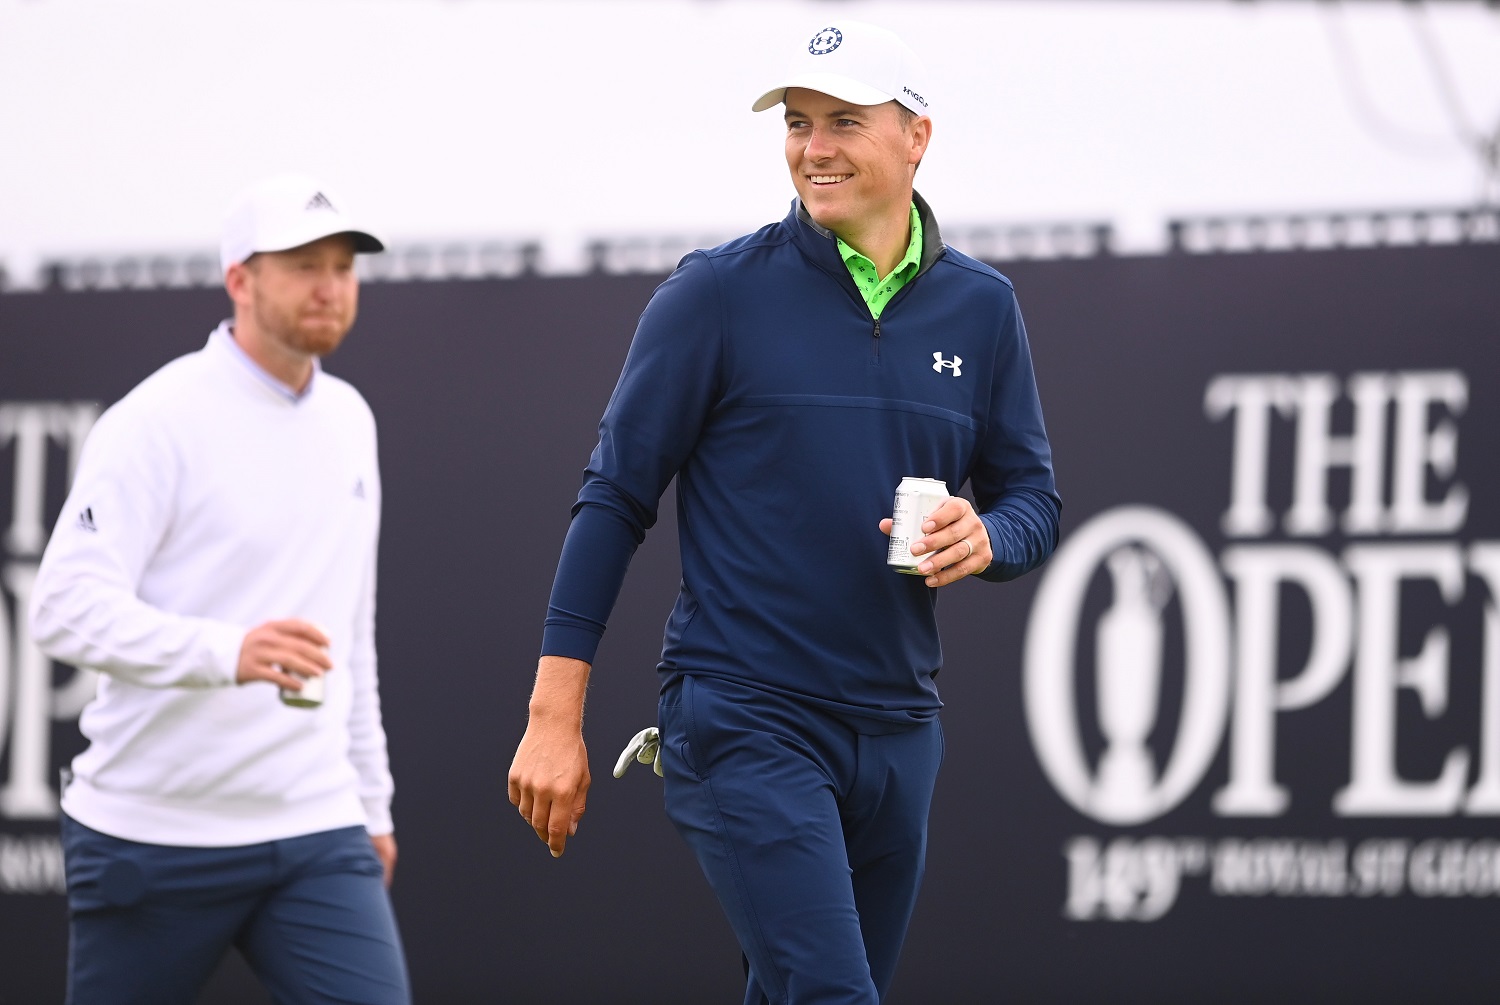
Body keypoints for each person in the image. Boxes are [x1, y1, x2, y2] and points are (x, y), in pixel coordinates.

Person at [508, 20, 1060, 1005]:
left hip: (901, 730)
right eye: (799, 123)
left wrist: (991, 537)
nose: (814, 147)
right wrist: (556, 716)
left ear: (916, 136)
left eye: (844, 121)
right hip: (746, 715)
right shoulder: (716, 293)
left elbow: (1033, 501)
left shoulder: (984, 308)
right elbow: (613, 500)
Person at [29, 174, 410, 1005]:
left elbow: (352, 638)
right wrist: (224, 651)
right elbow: (62, 605)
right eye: (304, 263)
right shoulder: (154, 419)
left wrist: (369, 803)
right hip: (151, 836)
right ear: (239, 279)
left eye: (344, 266)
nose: (329, 286)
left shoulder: (351, 419)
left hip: (316, 828)